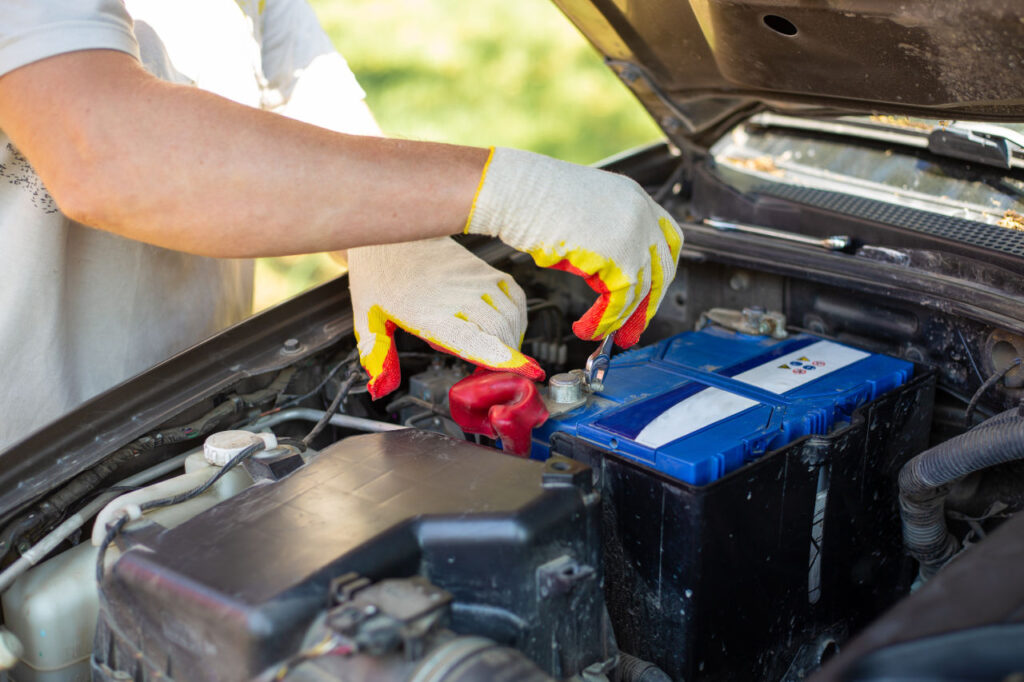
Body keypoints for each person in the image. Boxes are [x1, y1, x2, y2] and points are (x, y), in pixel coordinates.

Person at [0, 0, 683, 450]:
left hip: (197, 420)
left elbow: (314, 119)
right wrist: (509, 187)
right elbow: (101, 148)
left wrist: (387, 238)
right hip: (29, 477)